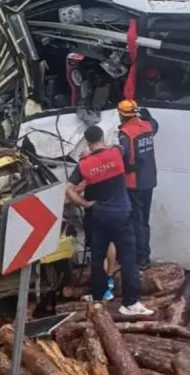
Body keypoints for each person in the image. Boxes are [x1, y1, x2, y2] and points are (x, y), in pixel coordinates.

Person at [66, 125, 153, 316]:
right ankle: (130, 303)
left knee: (97, 259)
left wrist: (85, 204)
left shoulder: (83, 165)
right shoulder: (116, 153)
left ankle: (98, 297)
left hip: (98, 215)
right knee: (128, 259)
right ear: (102, 137)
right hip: (121, 214)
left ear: (87, 141)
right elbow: (120, 146)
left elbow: (69, 189)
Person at [117, 99, 159, 269]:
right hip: (149, 180)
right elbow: (155, 125)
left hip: (133, 182)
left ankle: (140, 258)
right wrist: (148, 115)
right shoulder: (147, 126)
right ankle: (144, 255)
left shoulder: (125, 133)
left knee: (136, 221)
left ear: (121, 115)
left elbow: (124, 156)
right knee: (144, 220)